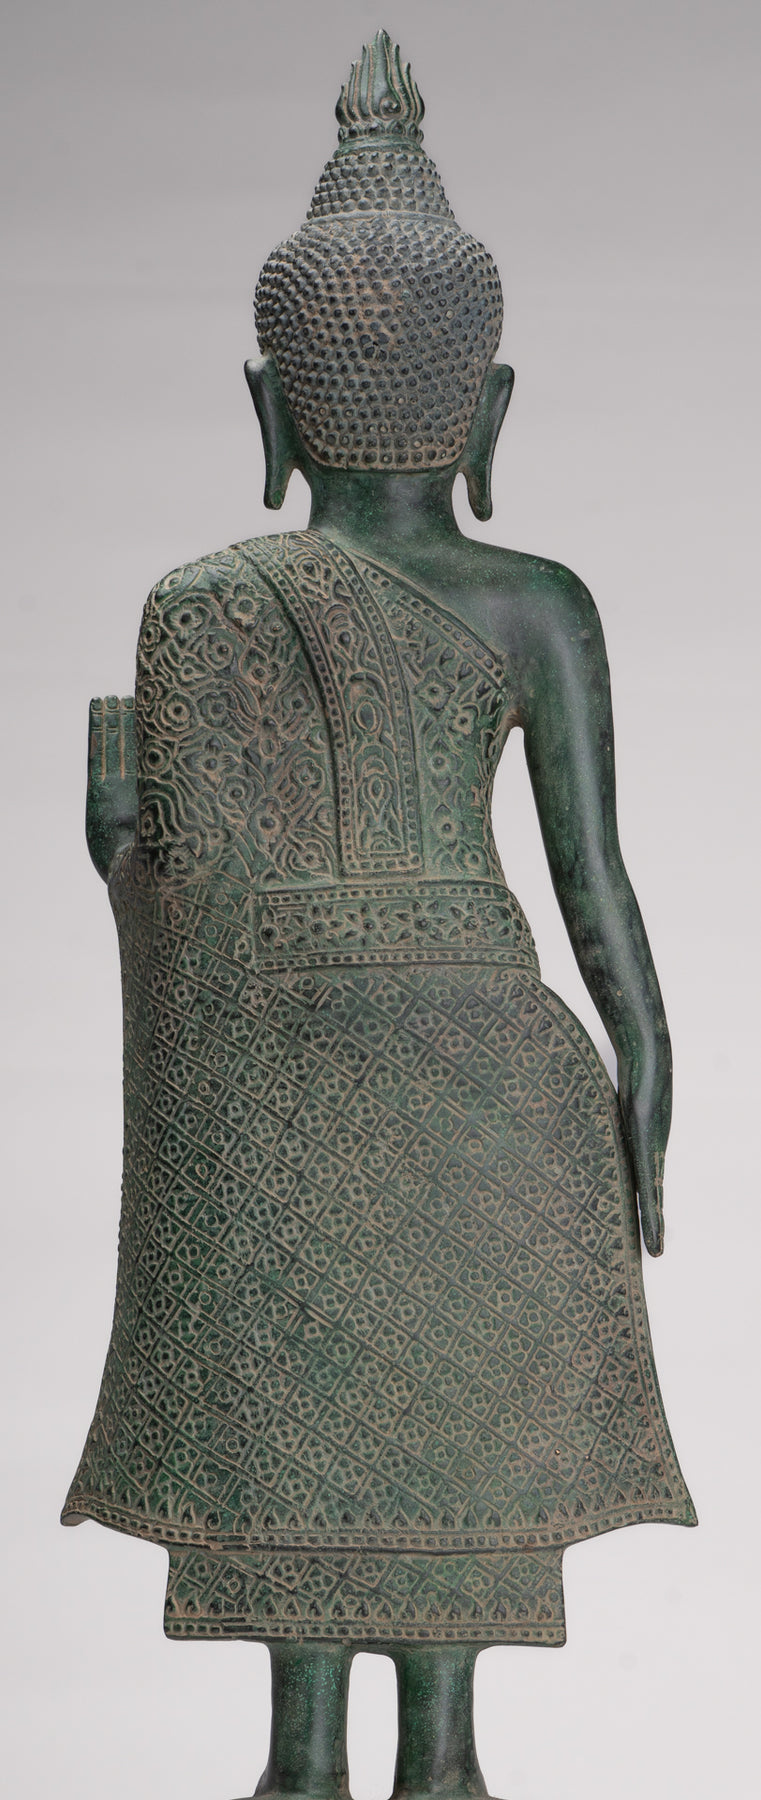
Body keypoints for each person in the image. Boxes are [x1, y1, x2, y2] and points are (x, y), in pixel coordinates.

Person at [64, 31, 694, 1799]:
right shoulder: (537, 604)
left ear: (268, 409)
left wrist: (116, 847)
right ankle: (435, 1763)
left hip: (269, 1101)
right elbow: (597, 898)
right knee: (452, 1482)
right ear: (488, 411)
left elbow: (177, 905)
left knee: (297, 1463)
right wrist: (643, 1088)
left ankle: (305, 1767)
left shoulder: (193, 605)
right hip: (496, 1091)